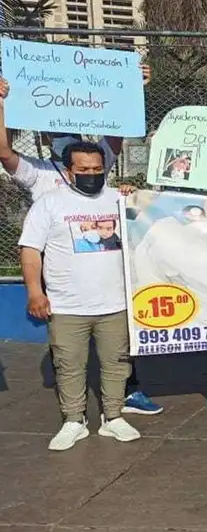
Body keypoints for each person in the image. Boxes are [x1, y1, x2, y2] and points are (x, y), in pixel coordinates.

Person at [0, 75, 164, 416]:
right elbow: (4, 152)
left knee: (118, 345)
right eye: (60, 138)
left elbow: (115, 135)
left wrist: (132, 90)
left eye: (96, 167)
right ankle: (74, 412)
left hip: (108, 272)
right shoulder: (39, 174)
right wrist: (2, 103)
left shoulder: (97, 164)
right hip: (60, 264)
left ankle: (125, 396)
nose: (91, 170)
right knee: (69, 346)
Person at [18, 141, 142, 451]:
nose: (91, 174)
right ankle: (74, 421)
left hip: (115, 303)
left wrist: (134, 196)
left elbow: (150, 226)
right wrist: (35, 292)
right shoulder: (49, 204)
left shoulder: (118, 199)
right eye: (83, 170)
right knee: (69, 364)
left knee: (117, 362)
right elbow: (31, 250)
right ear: (69, 171)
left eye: (97, 169)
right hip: (67, 304)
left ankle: (113, 417)